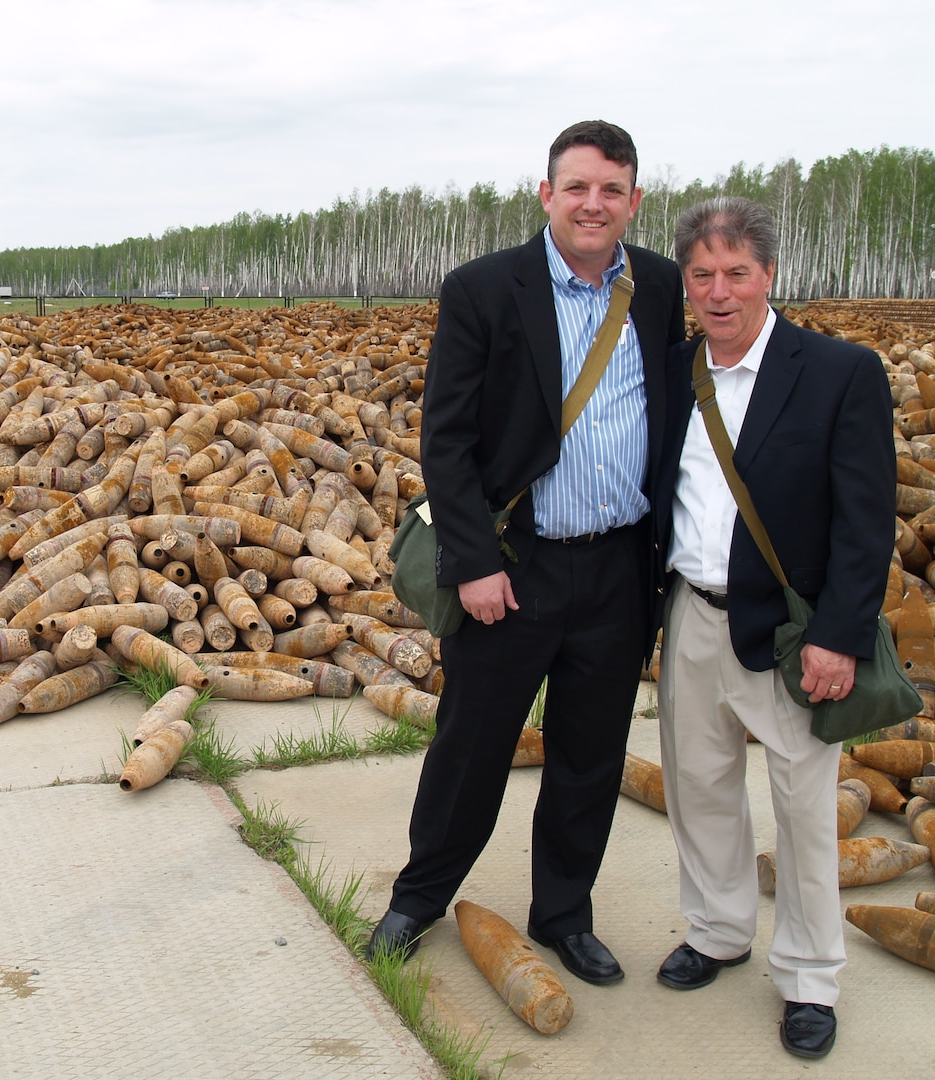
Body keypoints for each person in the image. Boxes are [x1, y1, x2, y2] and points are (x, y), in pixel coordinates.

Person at [366, 120, 685, 986]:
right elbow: (448, 438)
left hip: (620, 565)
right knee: (472, 743)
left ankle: (563, 916)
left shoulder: (658, 286)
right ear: (546, 194)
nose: (593, 203)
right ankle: (420, 896)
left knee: (591, 754)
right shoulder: (484, 288)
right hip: (516, 562)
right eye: (576, 187)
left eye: (610, 190)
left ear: (633, 202)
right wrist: (473, 562)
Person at [651, 196, 894, 1058]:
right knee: (700, 788)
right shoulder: (675, 370)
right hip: (691, 615)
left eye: (737, 274)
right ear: (687, 282)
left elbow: (867, 522)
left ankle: (808, 977)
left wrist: (841, 634)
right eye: (703, 275)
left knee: (801, 806)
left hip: (793, 636)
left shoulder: (838, 371)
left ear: (770, 276)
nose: (720, 293)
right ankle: (718, 929)